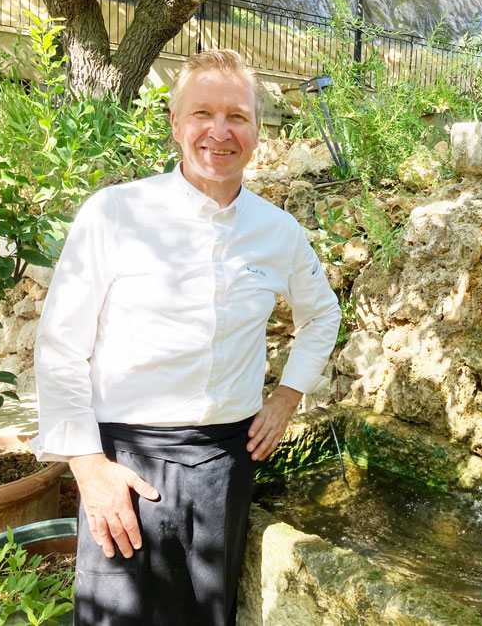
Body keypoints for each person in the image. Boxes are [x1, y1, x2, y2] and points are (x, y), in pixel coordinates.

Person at [31, 49, 341, 626]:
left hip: (226, 459)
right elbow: (59, 347)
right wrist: (88, 468)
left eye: (238, 117)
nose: (219, 132)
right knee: (114, 618)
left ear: (257, 131)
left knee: (205, 618)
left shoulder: (278, 231)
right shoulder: (115, 214)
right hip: (124, 458)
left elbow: (322, 315)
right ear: (175, 124)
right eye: (202, 113)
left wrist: (287, 396)